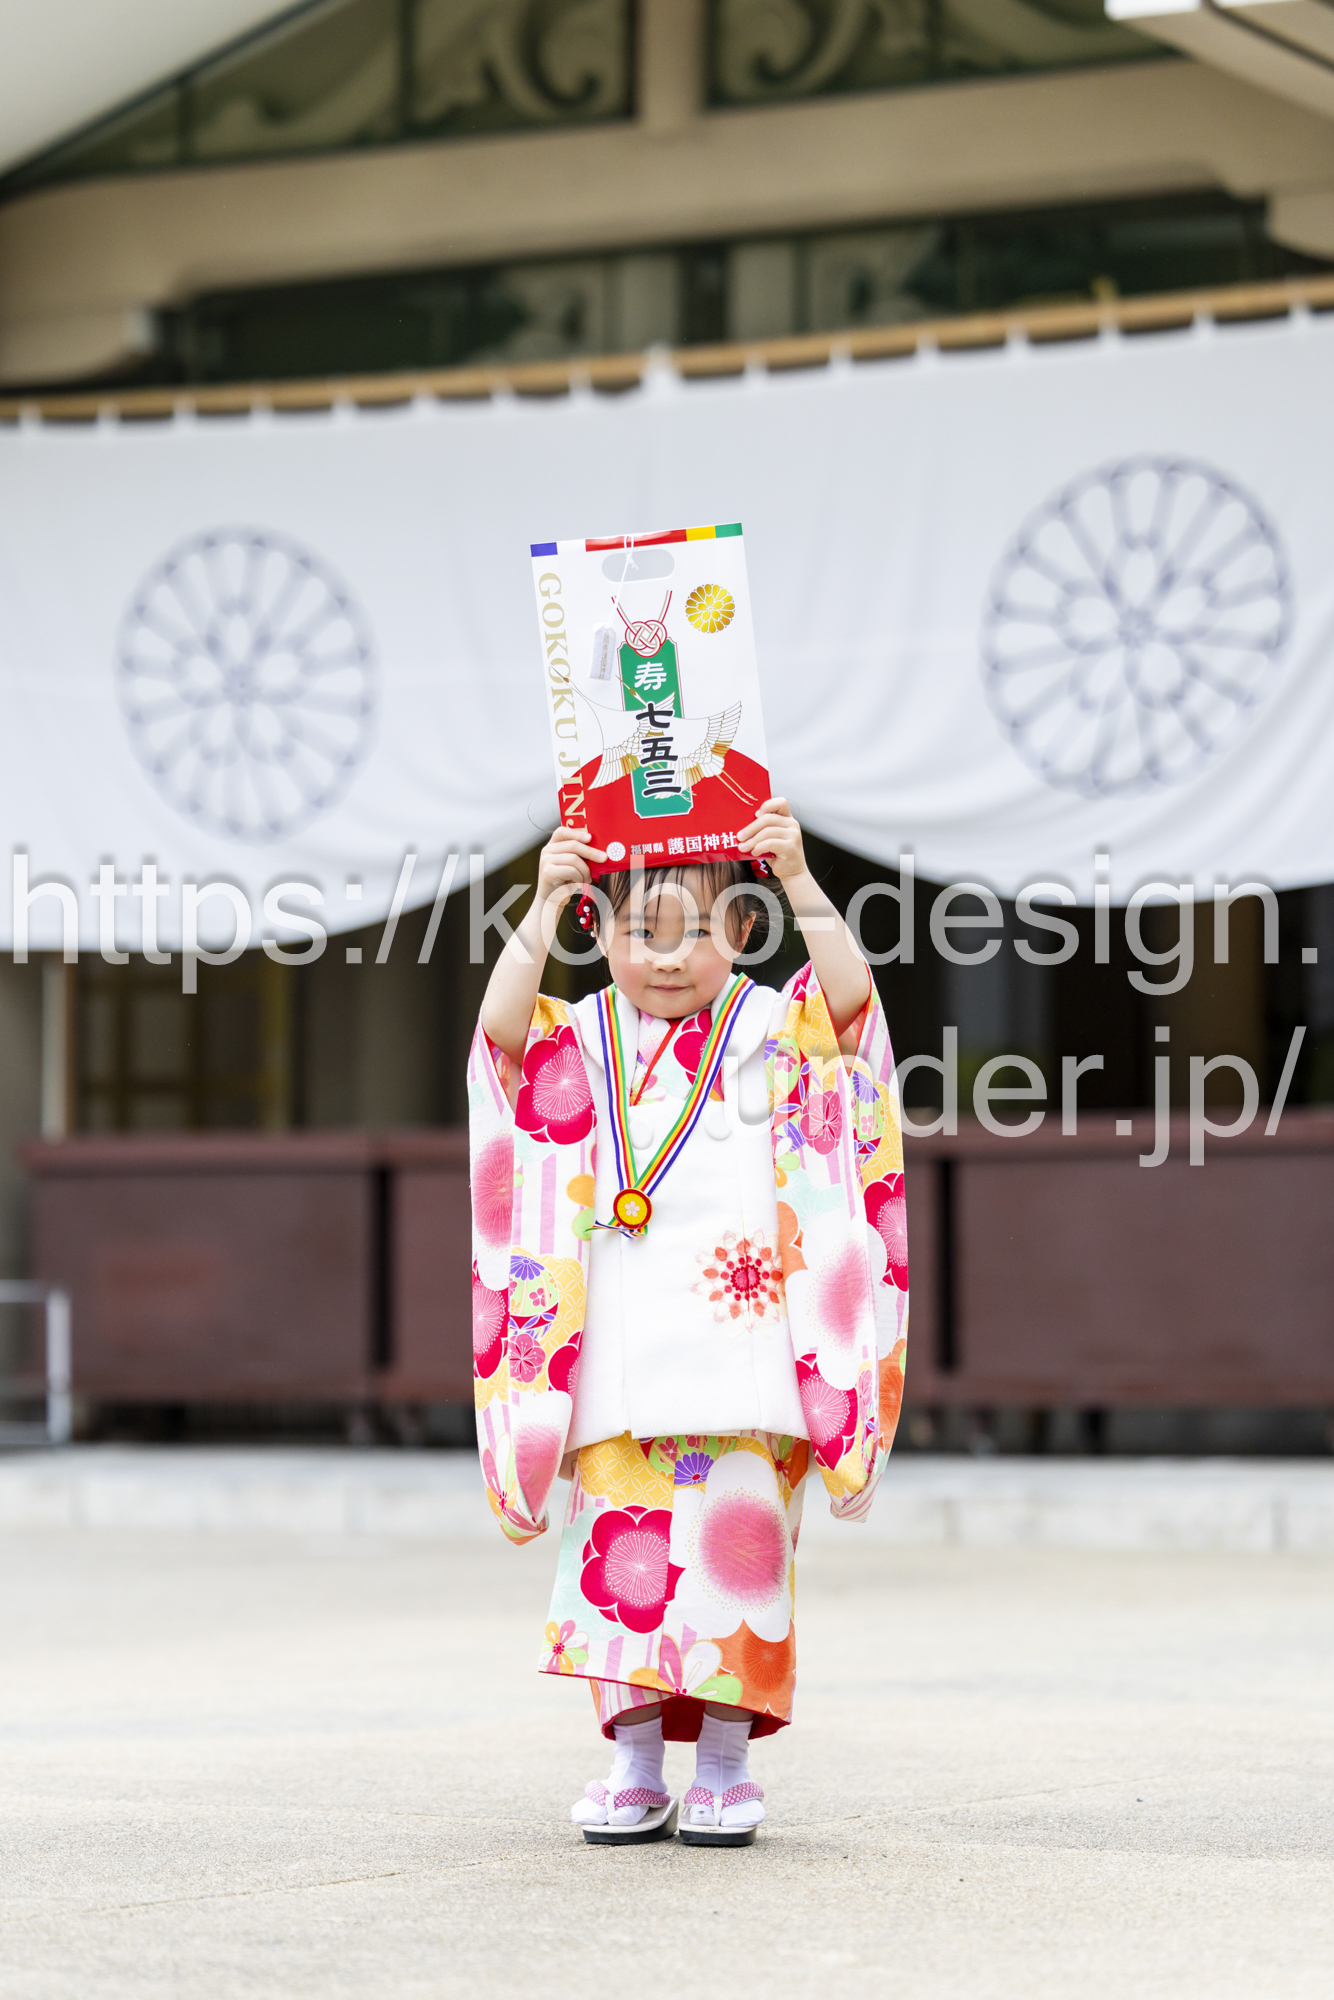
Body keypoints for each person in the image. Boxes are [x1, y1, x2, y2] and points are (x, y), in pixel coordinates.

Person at [469, 799, 908, 1846]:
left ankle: (721, 1765)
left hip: (745, 1354)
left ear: (744, 931)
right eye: (638, 930)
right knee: (619, 1573)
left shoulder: (771, 1028)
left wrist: (798, 878)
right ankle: (631, 1766)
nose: (665, 957)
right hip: (621, 1357)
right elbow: (499, 1040)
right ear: (598, 930)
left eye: (694, 930)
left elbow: (853, 1016)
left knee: (732, 1568)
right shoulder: (581, 1035)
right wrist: (541, 903)